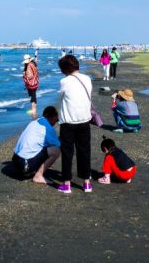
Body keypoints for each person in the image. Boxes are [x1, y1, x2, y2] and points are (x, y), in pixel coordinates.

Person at [56, 55, 93, 194]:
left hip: (68, 121)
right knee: (84, 151)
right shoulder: (87, 78)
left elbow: (61, 97)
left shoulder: (64, 81)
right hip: (84, 120)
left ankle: (66, 184)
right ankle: (87, 183)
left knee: (67, 153)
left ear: (65, 68)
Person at [12, 106, 62, 183]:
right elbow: (58, 145)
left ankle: (31, 170)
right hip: (25, 165)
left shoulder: (34, 122)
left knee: (43, 145)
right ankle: (38, 176)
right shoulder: (47, 128)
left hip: (15, 161)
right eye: (56, 119)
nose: (56, 122)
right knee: (56, 150)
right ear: (52, 117)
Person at [22, 54, 40, 118]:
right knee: (33, 96)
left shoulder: (29, 65)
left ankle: (33, 111)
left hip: (31, 84)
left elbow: (30, 76)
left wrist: (24, 75)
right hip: (35, 83)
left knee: (32, 97)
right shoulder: (33, 64)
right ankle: (34, 109)